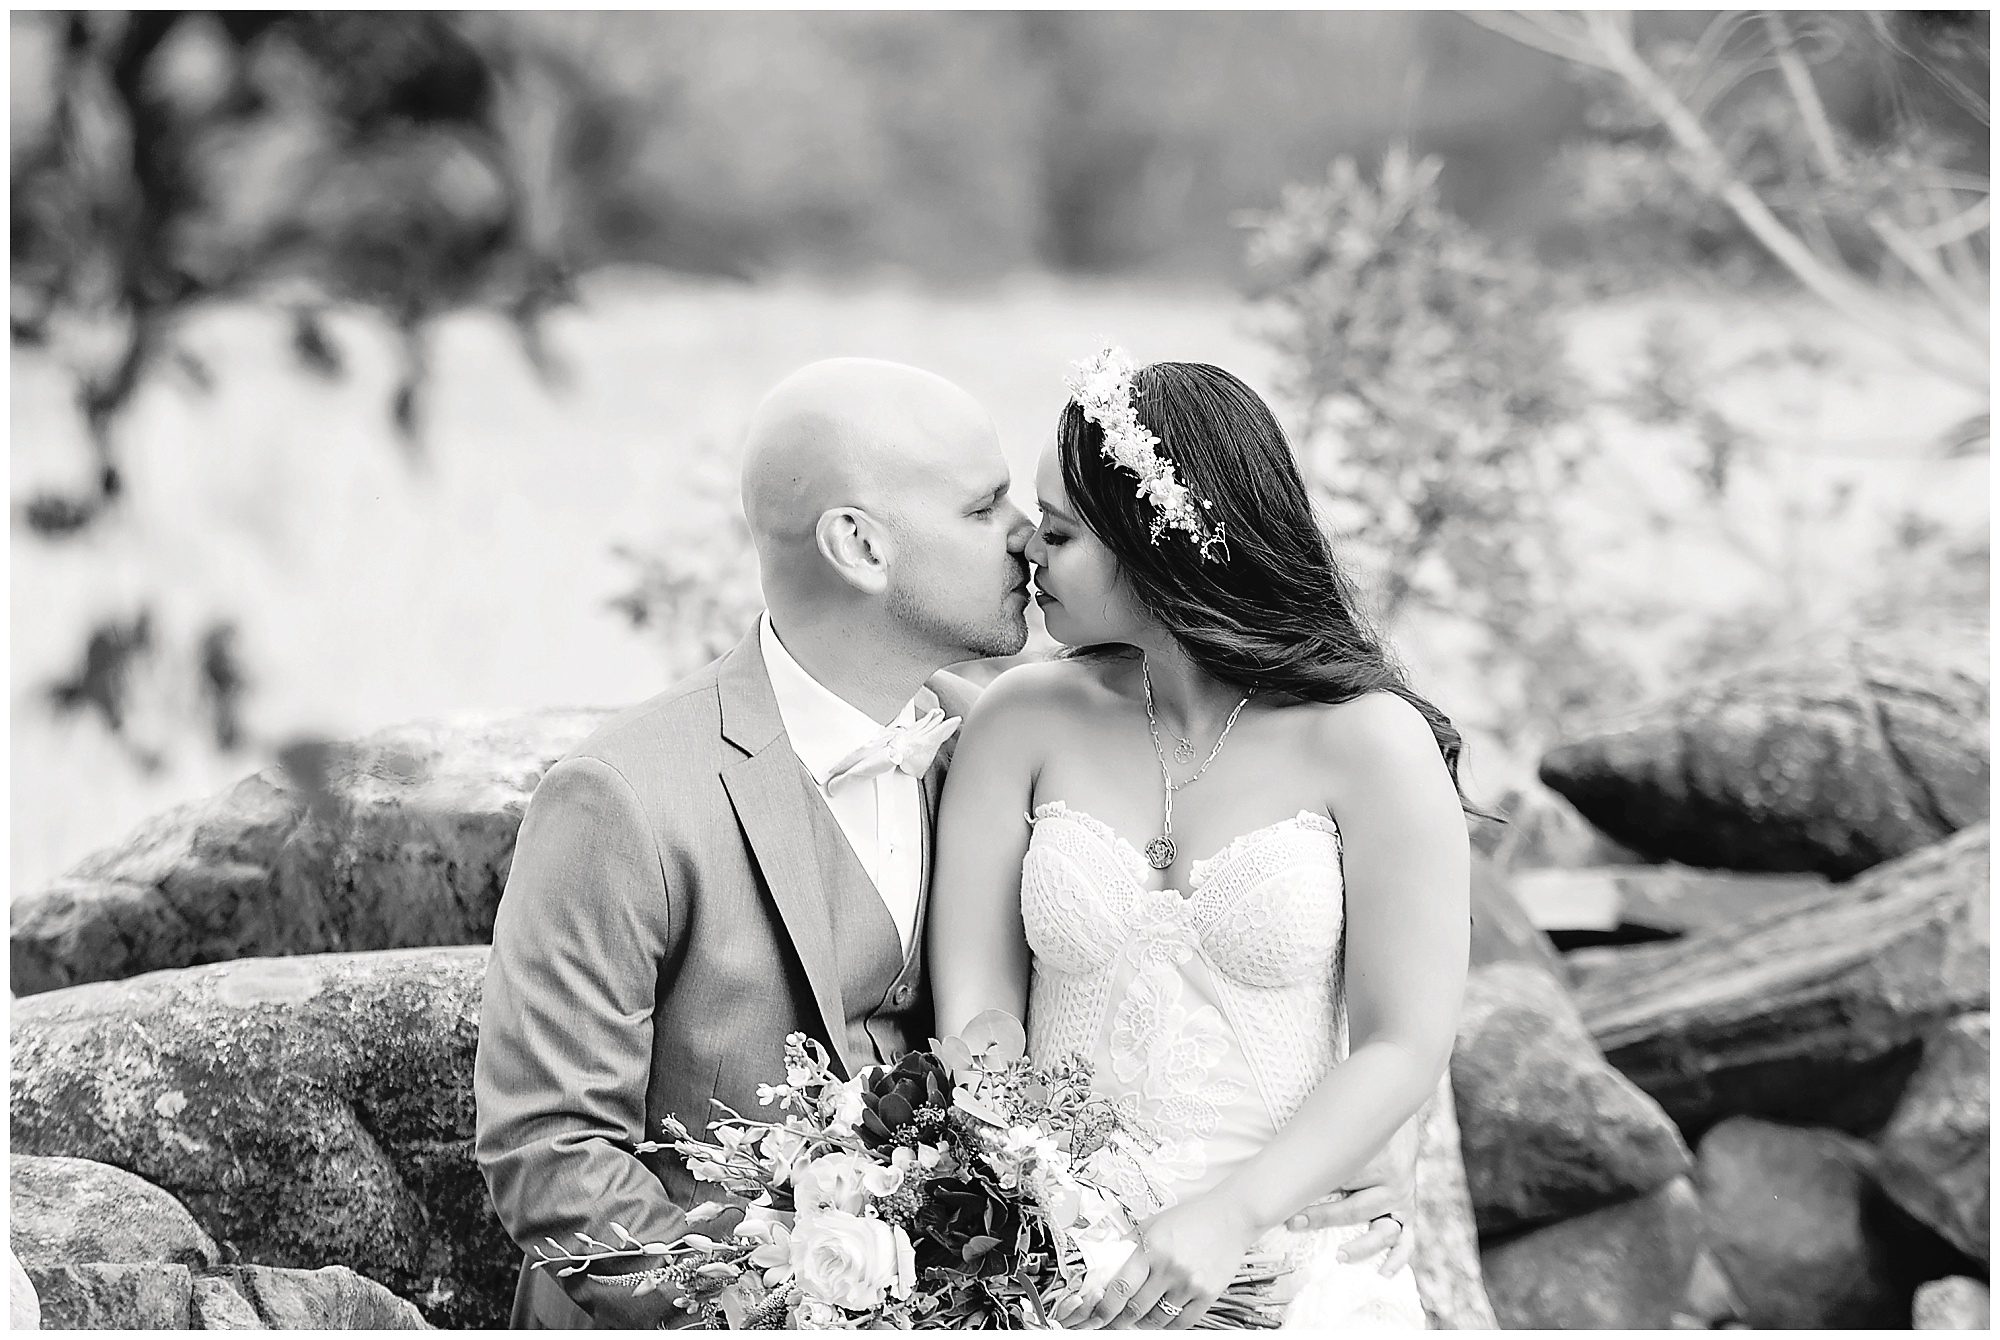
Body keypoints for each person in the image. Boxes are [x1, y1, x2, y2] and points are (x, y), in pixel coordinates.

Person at [474, 357, 1420, 1329]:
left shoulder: (992, 744)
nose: (1026, 536)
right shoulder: (622, 798)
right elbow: (551, 1154)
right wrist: (774, 1310)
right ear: (859, 544)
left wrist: (1350, 1148)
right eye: (983, 507)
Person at [928, 350, 1472, 1329]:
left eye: (1057, 532)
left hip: (1293, 1243)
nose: (1026, 554)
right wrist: (1037, 1190)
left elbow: (1402, 1042)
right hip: (1066, 1253)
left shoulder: (1369, 739)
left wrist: (1232, 1214)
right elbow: (975, 1001)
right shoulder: (1019, 720)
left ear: (1158, 542)